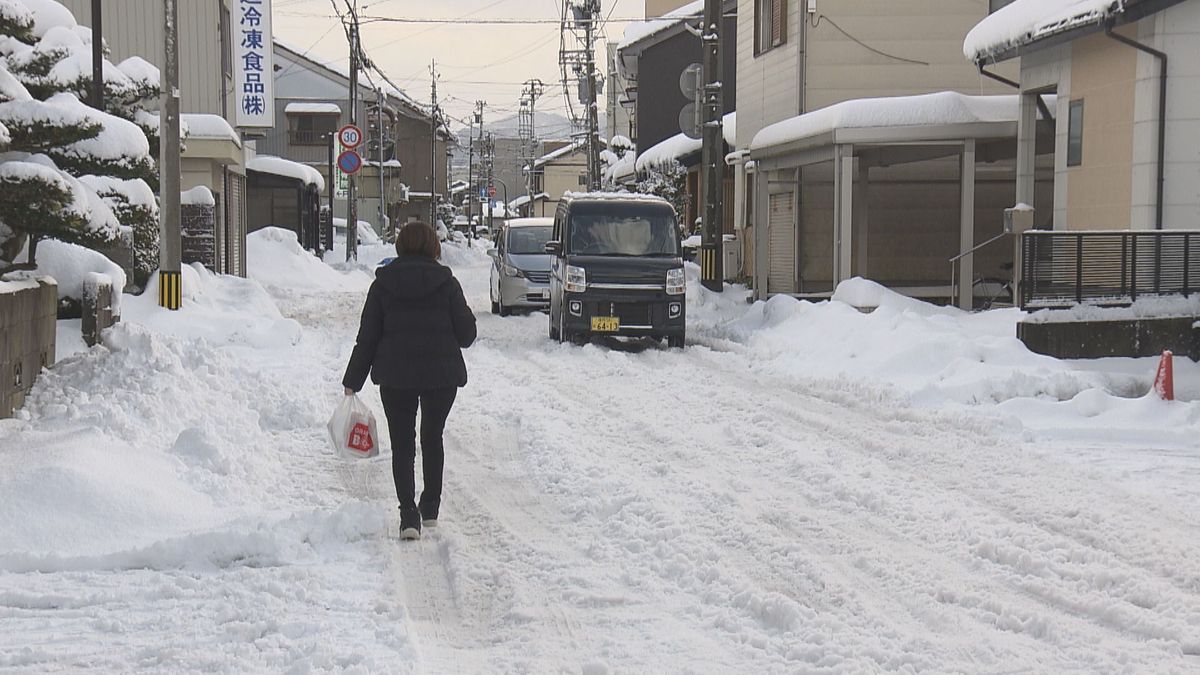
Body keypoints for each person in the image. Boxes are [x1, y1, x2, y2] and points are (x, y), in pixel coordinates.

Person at [342, 221, 477, 541]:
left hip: (396, 375)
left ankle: (408, 518)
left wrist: (353, 380)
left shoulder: (383, 285)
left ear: (400, 246)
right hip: (441, 376)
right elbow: (467, 335)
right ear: (434, 247)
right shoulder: (447, 283)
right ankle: (430, 508)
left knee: (403, 445)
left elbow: (368, 338)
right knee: (433, 436)